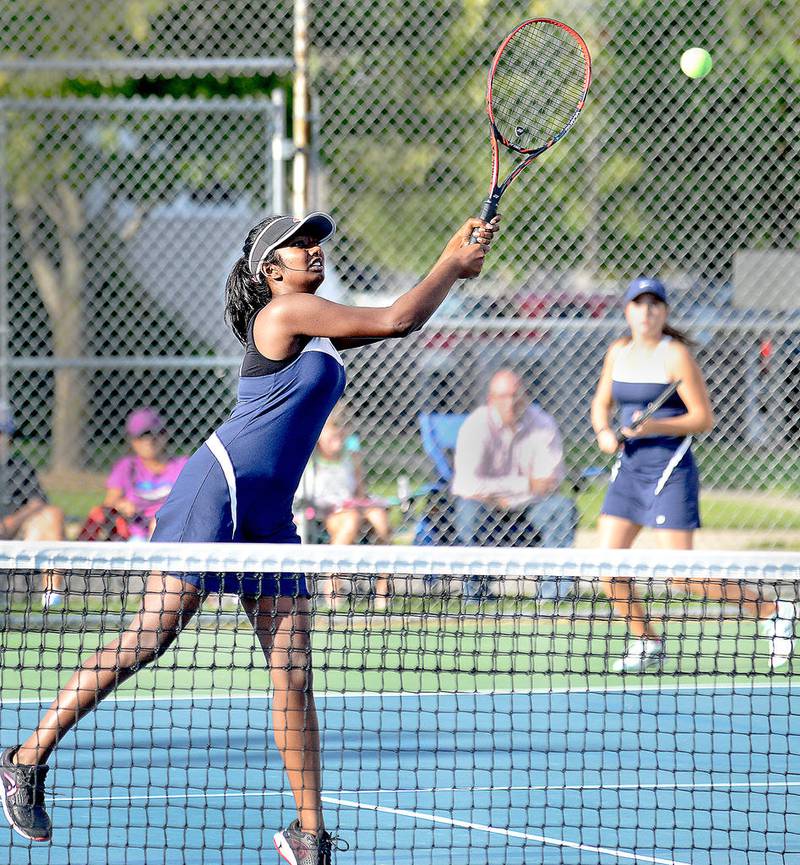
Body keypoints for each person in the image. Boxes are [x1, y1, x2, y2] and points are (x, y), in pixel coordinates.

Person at [0, 210, 499, 862]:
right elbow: (398, 317)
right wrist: (449, 260)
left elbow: (403, 320)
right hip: (218, 488)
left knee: (293, 671)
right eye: (298, 246)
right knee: (150, 637)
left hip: (270, 516)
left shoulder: (317, 326)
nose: (313, 249)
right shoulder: (283, 315)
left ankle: (310, 834)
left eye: (315, 240)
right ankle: (24, 759)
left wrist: (454, 268)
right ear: (272, 272)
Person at [591, 276, 796, 672]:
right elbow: (601, 404)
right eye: (638, 303)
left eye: (654, 304)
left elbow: (702, 418)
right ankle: (646, 641)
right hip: (629, 471)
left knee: (680, 576)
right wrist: (604, 433)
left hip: (670, 470)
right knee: (607, 567)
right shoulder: (617, 352)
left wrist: (654, 428)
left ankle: (773, 610)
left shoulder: (676, 355)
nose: (646, 311)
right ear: (627, 310)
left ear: (664, 312)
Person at [451, 369, 577, 601]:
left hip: (530, 509)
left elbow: (550, 480)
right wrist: (525, 483)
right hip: (488, 509)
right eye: (504, 397)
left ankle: (551, 596)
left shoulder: (543, 424)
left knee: (562, 508)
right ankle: (475, 595)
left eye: (516, 395)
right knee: (467, 510)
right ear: (491, 400)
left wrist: (497, 490)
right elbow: (466, 485)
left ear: (525, 396)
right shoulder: (475, 425)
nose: (512, 402)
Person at [297, 411, 392, 611]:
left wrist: (361, 502)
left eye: (341, 436)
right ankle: (332, 582)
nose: (338, 442)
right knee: (350, 520)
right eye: (332, 437)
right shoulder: (310, 456)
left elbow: (359, 490)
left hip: (351, 506)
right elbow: (307, 497)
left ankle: (382, 588)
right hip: (324, 512)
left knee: (380, 519)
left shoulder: (350, 454)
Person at [0, 403, 66, 608]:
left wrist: (13, 520)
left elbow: (37, 502)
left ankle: (51, 596)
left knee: (52, 515)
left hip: (17, 531)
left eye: (2, 433)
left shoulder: (19, 466)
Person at [101, 407, 188, 541]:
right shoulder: (126, 466)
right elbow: (109, 503)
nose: (149, 441)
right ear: (132, 441)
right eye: (142, 436)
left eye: (154, 434)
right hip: (135, 535)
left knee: (158, 523)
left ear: (164, 435)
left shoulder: (182, 465)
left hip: (173, 531)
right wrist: (121, 504)